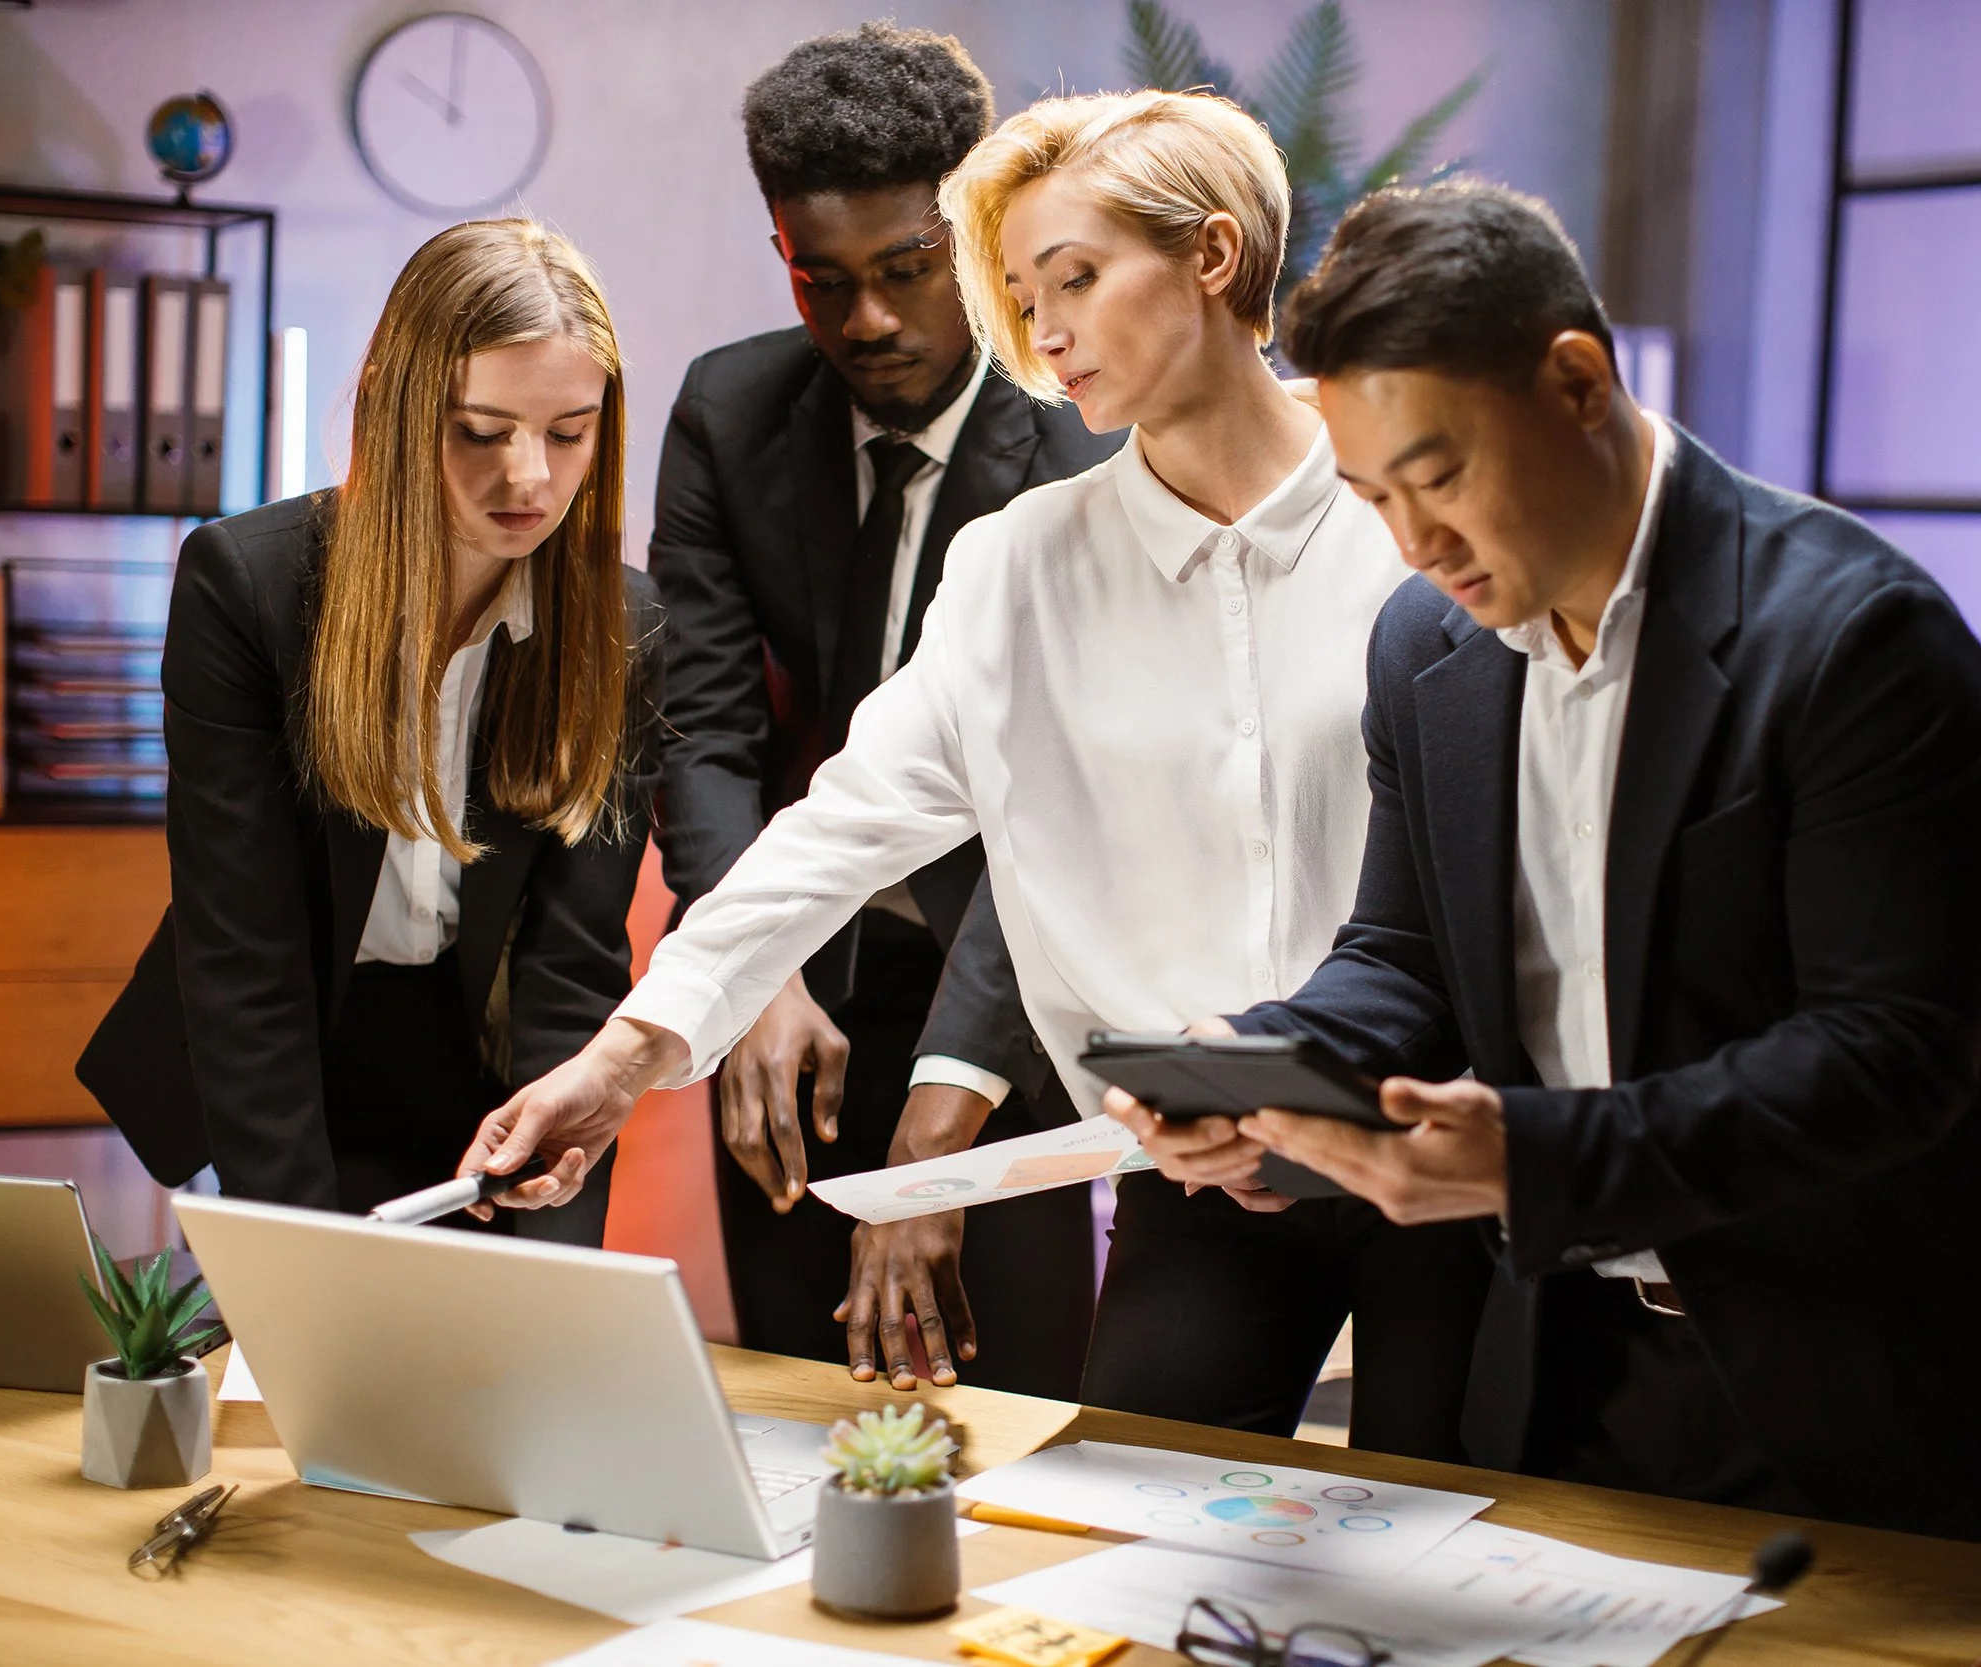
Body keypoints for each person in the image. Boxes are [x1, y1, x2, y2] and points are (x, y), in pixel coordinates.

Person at [459, 90, 1496, 1458]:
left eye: (1073, 277)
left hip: (1446, 1144)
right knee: (1124, 1513)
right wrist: (626, 1054)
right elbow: (842, 824)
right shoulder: (1020, 566)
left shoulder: (1419, 514)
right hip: (1199, 1167)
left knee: (1465, 1542)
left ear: (1215, 255)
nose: (1043, 327)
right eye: (1020, 291)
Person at [1109, 181, 1981, 1544]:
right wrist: (1262, 1059)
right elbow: (1406, 956)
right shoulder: (1427, 647)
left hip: (1856, 1363)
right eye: (1373, 497)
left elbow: (1885, 1055)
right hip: (1566, 1357)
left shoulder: (1856, 636)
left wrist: (1530, 1158)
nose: (1415, 545)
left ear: (1578, 381)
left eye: (1441, 476)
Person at [648, 23, 1119, 1395]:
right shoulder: (731, 413)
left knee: (1010, 1406)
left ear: (976, 237)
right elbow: (703, 725)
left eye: (908, 272)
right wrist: (757, 970)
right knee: (795, 1408)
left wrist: (947, 1114)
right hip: (805, 975)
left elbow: (1059, 804)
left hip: (1014, 967)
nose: (866, 321)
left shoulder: (1085, 446)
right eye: (821, 281)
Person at [78, 220, 663, 1246]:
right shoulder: (248, 587)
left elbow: (571, 964)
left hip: (475, 1065)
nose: (528, 477)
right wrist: (304, 1274)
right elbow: (243, 958)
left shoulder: (626, 629)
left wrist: (558, 1256)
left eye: (567, 432)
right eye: (482, 430)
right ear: (400, 411)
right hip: (282, 1056)